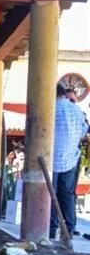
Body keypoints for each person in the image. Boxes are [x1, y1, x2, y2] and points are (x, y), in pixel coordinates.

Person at [50, 83, 89, 240]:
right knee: (67, 194)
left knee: (51, 194)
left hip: (51, 159)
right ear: (63, 94)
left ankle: (52, 228)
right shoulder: (77, 110)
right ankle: (70, 228)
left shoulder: (49, 108)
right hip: (70, 159)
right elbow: (83, 132)